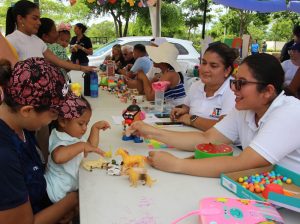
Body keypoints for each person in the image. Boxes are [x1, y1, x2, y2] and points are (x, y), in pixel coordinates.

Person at [129, 53, 300, 177]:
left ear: (268, 91)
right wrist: (150, 131)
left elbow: (242, 163)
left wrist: (177, 164)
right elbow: (207, 139)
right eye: (234, 82)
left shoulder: (289, 113)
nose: (233, 89)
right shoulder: (246, 108)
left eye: (241, 84)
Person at [0, 57, 94, 223]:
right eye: (54, 114)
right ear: (27, 110)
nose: (56, 119)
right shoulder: (4, 155)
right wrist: (72, 200)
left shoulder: (21, 126)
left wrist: (60, 209)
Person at [45, 96, 110, 203]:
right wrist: (82, 146)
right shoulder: (58, 137)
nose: (85, 128)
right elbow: (58, 157)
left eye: (87, 124)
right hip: (57, 193)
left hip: (69, 189)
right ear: (63, 121)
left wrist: (95, 128)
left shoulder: (73, 135)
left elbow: (89, 146)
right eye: (81, 123)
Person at [5, 0, 94, 73]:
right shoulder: (10, 41)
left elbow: (59, 62)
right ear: (20, 19)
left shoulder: (37, 41)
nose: (39, 22)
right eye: (35, 18)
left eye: (39, 19)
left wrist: (82, 68)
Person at [170, 43, 236, 131]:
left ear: (227, 70)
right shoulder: (196, 85)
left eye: (213, 66)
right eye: (204, 63)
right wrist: (180, 112)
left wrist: (192, 119)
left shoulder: (233, 90)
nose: (205, 69)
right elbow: (186, 109)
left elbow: (224, 128)